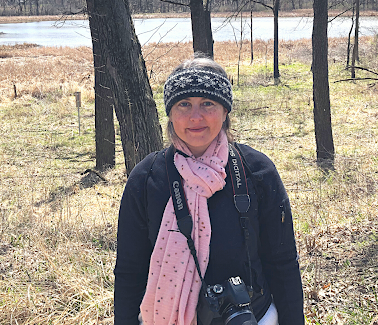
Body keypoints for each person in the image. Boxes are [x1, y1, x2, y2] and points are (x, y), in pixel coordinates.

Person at [114, 56, 304, 325]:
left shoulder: (257, 171)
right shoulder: (146, 179)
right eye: (184, 104)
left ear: (225, 110)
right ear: (170, 113)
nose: (195, 116)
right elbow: (129, 272)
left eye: (207, 103)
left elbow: (282, 263)